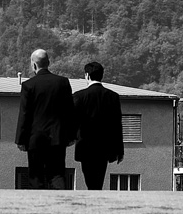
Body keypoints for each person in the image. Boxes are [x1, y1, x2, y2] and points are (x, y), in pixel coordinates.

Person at [15, 48, 77, 189]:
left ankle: (38, 206)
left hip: (35, 139)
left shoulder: (28, 85)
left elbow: (24, 114)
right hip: (57, 137)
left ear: (34, 65)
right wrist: (71, 135)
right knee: (57, 174)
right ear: (48, 62)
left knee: (35, 176)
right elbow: (70, 111)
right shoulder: (62, 83)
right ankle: (59, 205)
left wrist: (21, 139)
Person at [73, 60, 124, 191]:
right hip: (104, 147)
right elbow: (117, 124)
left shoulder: (79, 96)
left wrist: (70, 138)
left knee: (89, 179)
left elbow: (73, 121)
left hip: (85, 146)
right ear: (101, 75)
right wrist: (119, 150)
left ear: (87, 75)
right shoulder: (113, 96)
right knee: (99, 179)